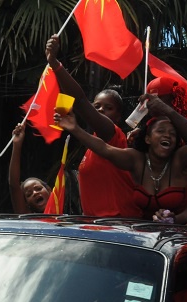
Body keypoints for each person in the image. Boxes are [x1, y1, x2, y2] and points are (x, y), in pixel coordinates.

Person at [53, 92, 187, 220]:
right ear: (147, 138)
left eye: (172, 133)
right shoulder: (135, 160)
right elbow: (105, 149)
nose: (167, 135)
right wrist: (76, 129)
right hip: (140, 235)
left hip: (175, 236)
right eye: (161, 131)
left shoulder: (180, 159)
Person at [46, 34, 141, 218]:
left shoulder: (114, 136)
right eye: (96, 106)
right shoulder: (91, 145)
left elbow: (80, 101)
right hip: (96, 226)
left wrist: (55, 64)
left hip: (120, 224)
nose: (101, 110)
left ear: (118, 116)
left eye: (108, 107)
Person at [8, 123, 51, 213]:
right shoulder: (28, 217)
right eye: (29, 194)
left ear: (49, 191)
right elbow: (14, 185)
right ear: (26, 203)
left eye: (38, 188)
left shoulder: (62, 207)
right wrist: (17, 144)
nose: (35, 193)